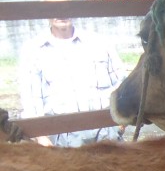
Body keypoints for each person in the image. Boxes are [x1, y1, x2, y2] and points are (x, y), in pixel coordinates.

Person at [19, 13, 124, 146]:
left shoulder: (99, 43)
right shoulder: (33, 50)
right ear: (44, 13)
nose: (61, 14)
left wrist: (122, 122)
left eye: (65, 7)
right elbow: (31, 99)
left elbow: (121, 83)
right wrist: (41, 137)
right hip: (62, 139)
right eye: (54, 9)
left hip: (107, 133)